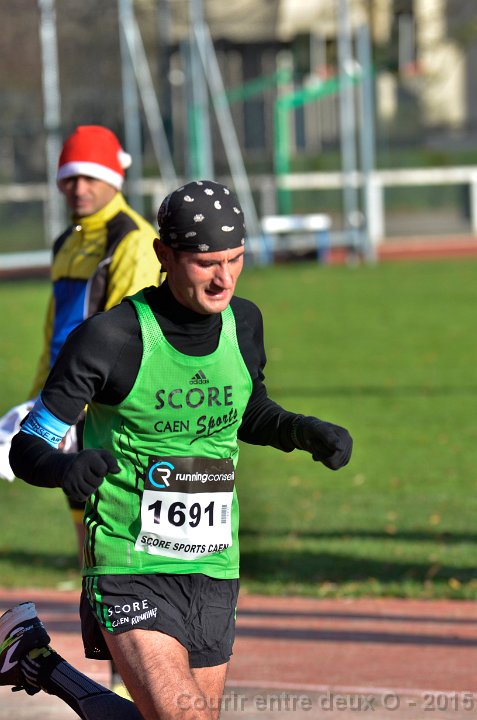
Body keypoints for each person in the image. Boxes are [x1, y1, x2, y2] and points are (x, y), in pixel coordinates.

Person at [2, 180, 352, 720]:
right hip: (129, 558)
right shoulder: (109, 339)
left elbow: (248, 410)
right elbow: (28, 445)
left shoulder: (244, 323)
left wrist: (302, 431)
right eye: (206, 262)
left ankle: (39, 663)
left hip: (214, 560)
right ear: (163, 255)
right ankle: (40, 663)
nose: (224, 278)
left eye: (235, 259)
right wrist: (63, 468)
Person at [0, 125, 161, 693]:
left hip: (108, 417)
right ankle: (119, 679)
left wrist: (73, 409)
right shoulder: (66, 243)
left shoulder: (133, 240)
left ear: (114, 179)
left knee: (120, 550)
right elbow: (55, 332)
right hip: (67, 409)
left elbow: (123, 336)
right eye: (69, 178)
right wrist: (36, 406)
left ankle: (138, 678)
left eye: (90, 177)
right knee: (89, 547)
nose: (79, 188)